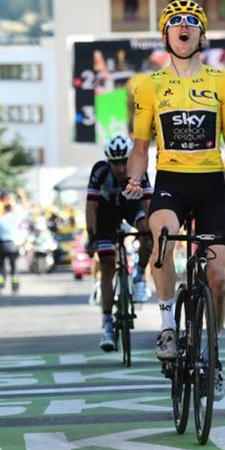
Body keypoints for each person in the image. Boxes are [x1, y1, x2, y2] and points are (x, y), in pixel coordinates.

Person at [122, 0, 225, 401]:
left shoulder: (223, 82)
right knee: (163, 236)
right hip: (171, 182)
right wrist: (134, 178)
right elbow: (140, 146)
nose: (183, 27)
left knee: (218, 275)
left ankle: (211, 353)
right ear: (166, 34)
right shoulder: (148, 85)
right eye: (175, 22)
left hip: (211, 186)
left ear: (201, 35)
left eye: (191, 22)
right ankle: (168, 325)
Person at [86, 135, 153, 352]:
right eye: (116, 163)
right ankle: (107, 324)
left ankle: (140, 275)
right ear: (108, 161)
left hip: (131, 207)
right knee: (107, 266)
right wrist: (92, 235)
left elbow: (147, 203)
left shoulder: (139, 169)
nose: (121, 167)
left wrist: (150, 232)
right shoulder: (100, 171)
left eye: (124, 161)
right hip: (106, 214)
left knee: (147, 232)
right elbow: (91, 207)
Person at [0, 199, 26, 294]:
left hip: (2, 245)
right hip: (13, 245)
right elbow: (22, 228)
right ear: (12, 209)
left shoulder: (0, 219)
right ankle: (15, 286)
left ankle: (0, 285)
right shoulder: (16, 218)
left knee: (0, 266)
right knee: (14, 266)